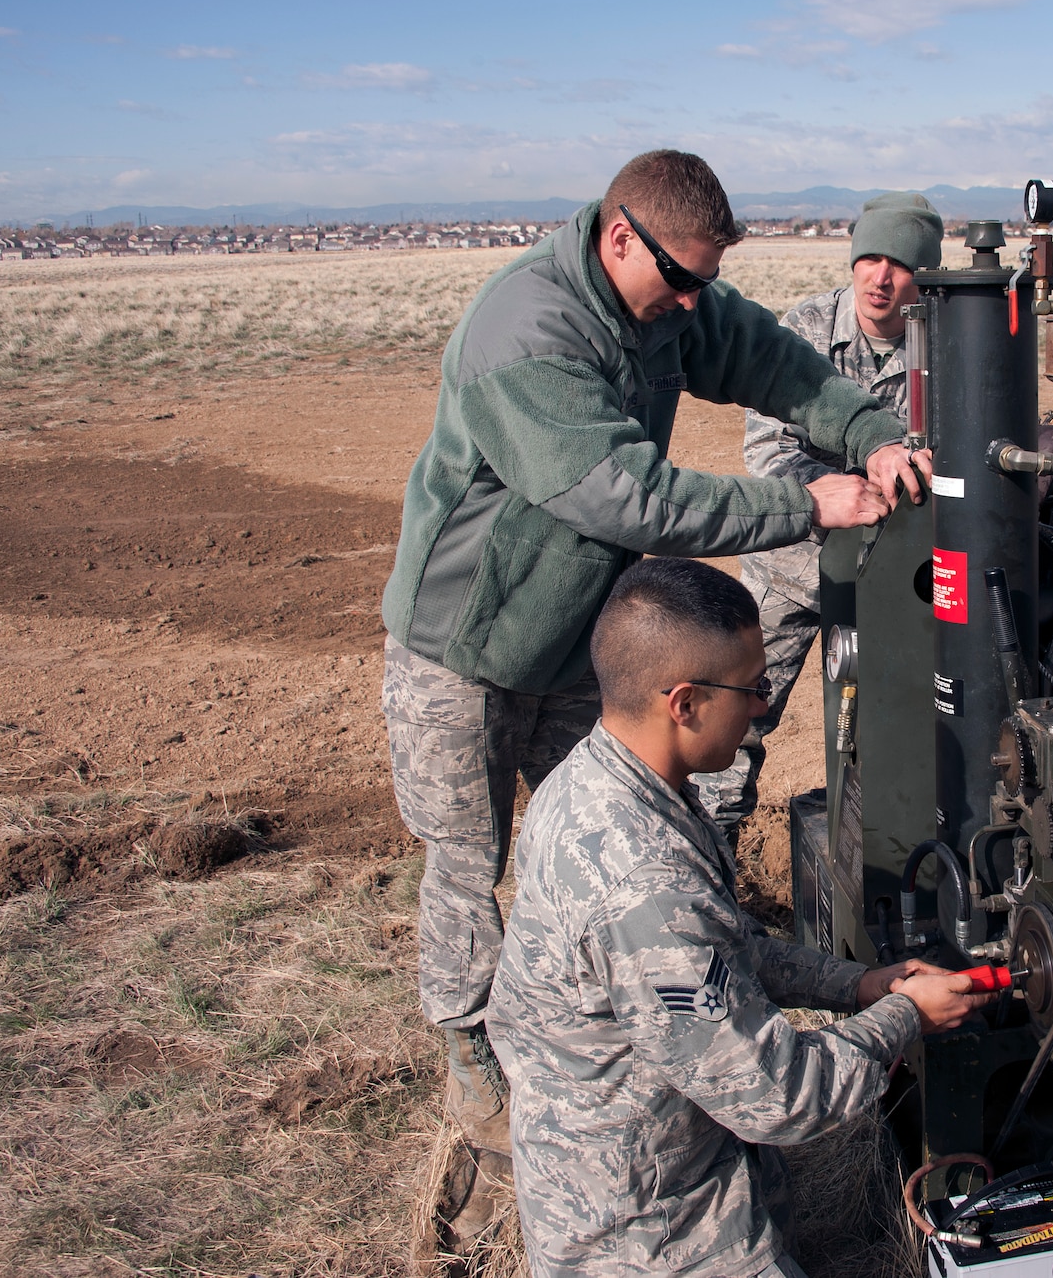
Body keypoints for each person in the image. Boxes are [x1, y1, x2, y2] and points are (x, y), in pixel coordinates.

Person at [379, 150, 932, 1242]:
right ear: (617, 235)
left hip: (579, 641)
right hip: (467, 646)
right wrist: (803, 501)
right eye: (678, 280)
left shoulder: (673, 300)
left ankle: (670, 1007)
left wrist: (871, 432)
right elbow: (623, 491)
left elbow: (779, 363)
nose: (690, 303)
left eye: (702, 285)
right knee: (467, 852)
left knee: (632, 837)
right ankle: (468, 1055)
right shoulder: (525, 330)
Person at [488, 558, 986, 1277]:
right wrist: (907, 1015)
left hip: (653, 1163)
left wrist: (858, 984)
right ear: (683, 702)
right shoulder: (643, 883)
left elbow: (725, 946)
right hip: (650, 1233)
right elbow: (779, 1095)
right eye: (751, 688)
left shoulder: (603, 780)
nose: (761, 704)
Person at [692, 191, 943, 832]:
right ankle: (708, 859)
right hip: (792, 569)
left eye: (900, 264)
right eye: (870, 258)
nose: (880, 278)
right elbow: (769, 448)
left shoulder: (946, 351)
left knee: (896, 730)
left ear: (927, 275)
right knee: (731, 725)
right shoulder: (803, 332)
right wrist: (842, 494)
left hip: (897, 584)